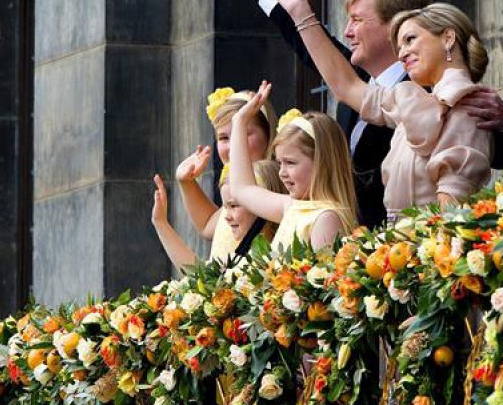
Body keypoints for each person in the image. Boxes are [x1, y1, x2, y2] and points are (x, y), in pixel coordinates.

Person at [224, 0, 503, 227]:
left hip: (419, 250)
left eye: (357, 20)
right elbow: (313, 47)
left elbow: (497, 156)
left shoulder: (439, 96)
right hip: (365, 254)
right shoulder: (376, 88)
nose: (347, 32)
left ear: (393, 28)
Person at [271, 0, 492, 220]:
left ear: (447, 38)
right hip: (394, 248)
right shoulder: (407, 97)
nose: (403, 52)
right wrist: (300, 12)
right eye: (399, 43)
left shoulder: (470, 105)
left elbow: (453, 211)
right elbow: (346, 86)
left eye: (410, 40)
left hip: (429, 250)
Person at [229, 81, 357, 252]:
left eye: (290, 163)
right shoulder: (292, 206)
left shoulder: (326, 218)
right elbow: (241, 189)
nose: (282, 173)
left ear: (321, 163)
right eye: (279, 163)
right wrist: (239, 121)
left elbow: (320, 278)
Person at [175, 87, 278, 260]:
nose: (232, 146)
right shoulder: (234, 185)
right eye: (223, 138)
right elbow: (208, 224)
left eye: (243, 132)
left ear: (268, 134)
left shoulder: (266, 181)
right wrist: (186, 182)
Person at [151, 160, 284, 270]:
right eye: (225, 207)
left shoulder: (282, 258)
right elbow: (200, 275)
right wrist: (160, 222)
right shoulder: (240, 255)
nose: (226, 216)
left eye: (234, 206)